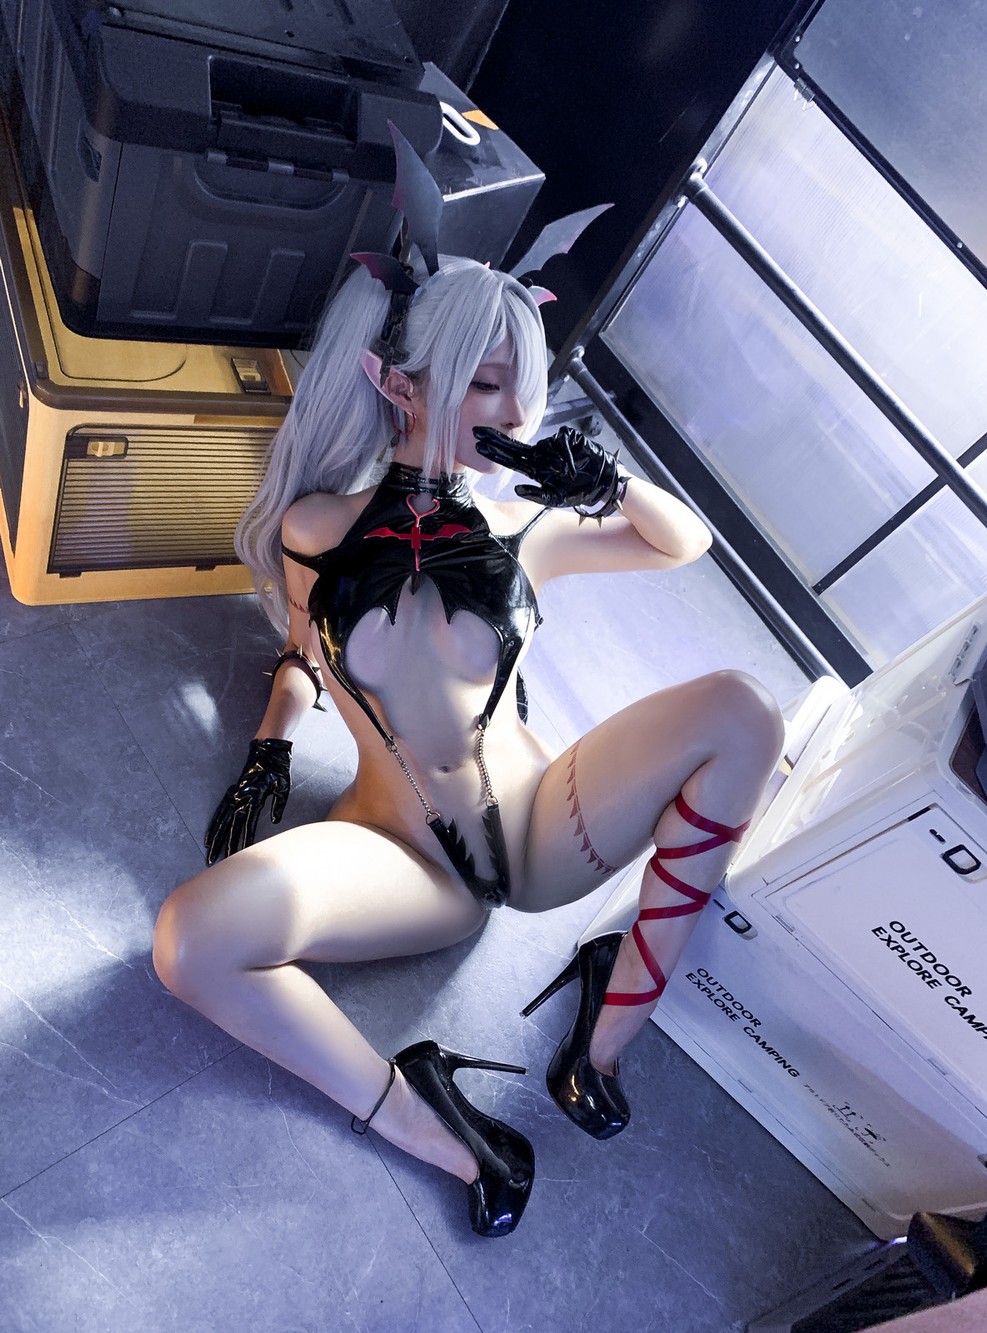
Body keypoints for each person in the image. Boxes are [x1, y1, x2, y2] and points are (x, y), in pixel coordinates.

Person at [152, 244, 785, 1238]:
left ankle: (606, 1031)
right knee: (190, 939)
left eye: (527, 387)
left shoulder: (529, 530)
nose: (518, 413)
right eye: (488, 384)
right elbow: (305, 652)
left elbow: (684, 543)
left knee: (744, 709)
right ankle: (428, 1116)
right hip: (399, 855)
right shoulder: (315, 531)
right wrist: (270, 750)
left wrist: (609, 484)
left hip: (542, 826)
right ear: (396, 383)